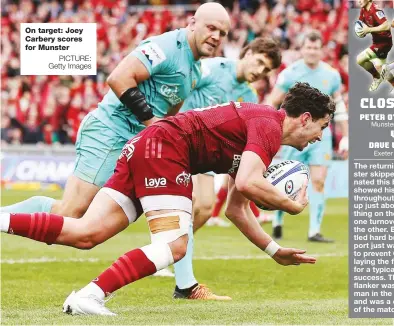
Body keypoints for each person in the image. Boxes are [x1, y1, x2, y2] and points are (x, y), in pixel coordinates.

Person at [1, 82, 334, 316]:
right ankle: (90, 295)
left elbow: (236, 207)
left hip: (148, 145)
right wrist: (289, 204)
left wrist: (274, 251)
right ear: (304, 118)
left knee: (86, 233)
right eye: (321, 126)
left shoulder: (260, 128)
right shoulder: (269, 125)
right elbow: (249, 182)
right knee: (175, 244)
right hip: (167, 149)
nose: (320, 136)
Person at [1, 2, 231, 298]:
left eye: (222, 33)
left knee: (180, 205)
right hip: (110, 132)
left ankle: (186, 285)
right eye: (211, 28)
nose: (215, 36)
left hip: (138, 144)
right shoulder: (166, 47)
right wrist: (153, 124)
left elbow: (170, 113)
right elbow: (119, 78)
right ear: (193, 22)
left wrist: (167, 138)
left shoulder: (195, 70)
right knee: (70, 213)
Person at [172, 37, 281, 300]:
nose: (259, 72)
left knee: (205, 207)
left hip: (206, 155)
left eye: (266, 70)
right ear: (248, 52)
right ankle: (175, 264)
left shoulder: (250, 96)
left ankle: (171, 253)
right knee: (197, 203)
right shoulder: (214, 68)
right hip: (180, 138)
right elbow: (181, 87)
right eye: (259, 62)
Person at [267, 30, 349, 243]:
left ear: (321, 50)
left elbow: (338, 106)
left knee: (319, 181)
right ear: (302, 49)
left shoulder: (331, 75)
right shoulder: (290, 73)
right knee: (285, 180)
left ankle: (314, 231)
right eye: (308, 47)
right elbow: (272, 102)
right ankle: (277, 221)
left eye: (316, 47)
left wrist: (346, 136)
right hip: (292, 135)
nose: (312, 51)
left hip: (321, 137)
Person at [356, 0, 392, 91]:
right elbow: (360, 24)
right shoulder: (363, 10)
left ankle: (377, 77)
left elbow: (387, 26)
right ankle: (378, 76)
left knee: (361, 59)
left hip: (384, 43)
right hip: (376, 43)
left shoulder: (375, 10)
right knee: (382, 69)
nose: (358, 1)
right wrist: (360, 31)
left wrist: (369, 30)